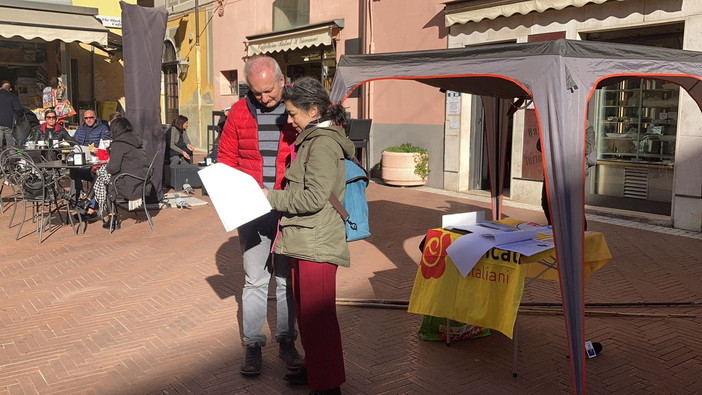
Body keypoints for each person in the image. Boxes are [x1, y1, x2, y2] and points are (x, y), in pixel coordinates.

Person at [264, 76, 356, 395]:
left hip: (316, 241)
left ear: (313, 111)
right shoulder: (312, 139)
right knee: (308, 318)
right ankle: (316, 369)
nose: (289, 121)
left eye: (293, 114)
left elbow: (313, 198)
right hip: (305, 238)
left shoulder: (323, 144)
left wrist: (267, 198)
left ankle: (328, 385)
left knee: (319, 321)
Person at [217, 56, 301, 377]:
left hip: (286, 204)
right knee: (254, 280)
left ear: (282, 80)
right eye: (257, 93)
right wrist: (230, 194)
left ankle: (286, 340)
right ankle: (253, 345)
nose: (264, 99)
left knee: (284, 280)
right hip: (250, 208)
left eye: (268, 91)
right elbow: (226, 158)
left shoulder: (297, 106)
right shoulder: (239, 111)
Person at [99, 117, 147, 230]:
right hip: (141, 180)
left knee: (102, 179)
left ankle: (111, 218)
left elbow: (113, 168)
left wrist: (109, 162)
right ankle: (88, 205)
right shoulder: (135, 139)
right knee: (101, 175)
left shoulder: (119, 144)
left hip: (130, 183)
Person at [0, 80, 23, 149]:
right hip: (9, 123)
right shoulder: (13, 96)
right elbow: (18, 109)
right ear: (10, 89)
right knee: (10, 145)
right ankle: (11, 158)